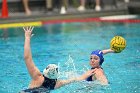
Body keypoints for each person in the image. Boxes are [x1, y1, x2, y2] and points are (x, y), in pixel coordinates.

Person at [21, 26, 97, 92]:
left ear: (45, 71)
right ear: (56, 76)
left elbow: (27, 58)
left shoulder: (37, 77)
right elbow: (75, 79)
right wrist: (87, 74)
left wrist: (27, 38)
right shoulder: (57, 84)